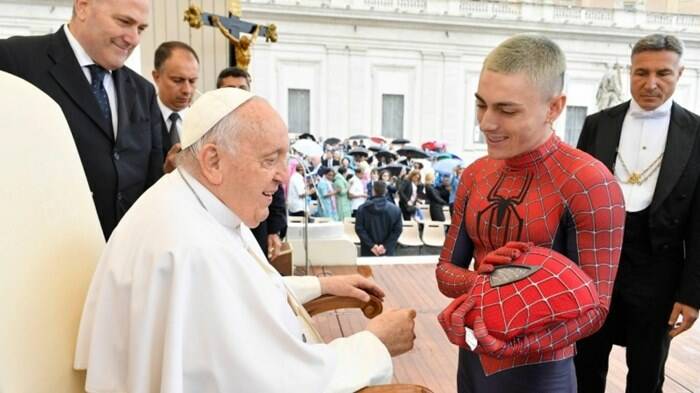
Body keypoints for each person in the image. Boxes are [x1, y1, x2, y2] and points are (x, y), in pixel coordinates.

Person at [74, 88, 417, 392]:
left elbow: (241, 292)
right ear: (213, 160)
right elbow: (275, 381)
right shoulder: (194, 248)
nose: (284, 176)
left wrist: (323, 286)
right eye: (270, 160)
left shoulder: (191, 203)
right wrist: (376, 343)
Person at [435, 34, 625, 393]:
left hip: (543, 372)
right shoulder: (476, 174)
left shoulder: (589, 182)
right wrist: (489, 282)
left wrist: (514, 339)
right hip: (474, 359)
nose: (486, 123)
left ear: (554, 108)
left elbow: (596, 308)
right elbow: (445, 272)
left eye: (506, 110)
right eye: (481, 105)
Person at [575, 33, 700, 393]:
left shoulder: (697, 133)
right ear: (629, 72)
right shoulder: (598, 124)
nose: (651, 83)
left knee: (647, 375)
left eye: (663, 73)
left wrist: (691, 294)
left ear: (680, 74)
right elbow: (576, 202)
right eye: (640, 73)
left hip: (659, 272)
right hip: (597, 266)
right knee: (585, 365)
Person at [0, 0, 164, 239]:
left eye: (141, 29)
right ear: (83, 6)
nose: (133, 38)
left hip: (122, 254)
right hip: (40, 250)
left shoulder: (143, 91)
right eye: (124, 22)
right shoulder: (14, 60)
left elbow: (152, 180)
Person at [217, 65, 287, 259]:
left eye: (242, 90)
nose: (237, 95)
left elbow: (275, 181)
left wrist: (274, 228)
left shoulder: (264, 130)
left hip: (255, 228)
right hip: (217, 226)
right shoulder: (207, 132)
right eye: (230, 89)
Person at [152, 41, 199, 173]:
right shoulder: (138, 118)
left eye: (192, 81)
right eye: (177, 80)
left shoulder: (205, 122)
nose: (187, 90)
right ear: (156, 77)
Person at [355, 181, 403, 257]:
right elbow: (397, 230)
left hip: (368, 250)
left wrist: (372, 246)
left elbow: (359, 229)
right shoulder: (395, 209)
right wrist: (385, 246)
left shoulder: (362, 208)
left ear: (373, 191)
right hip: (387, 251)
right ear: (386, 191)